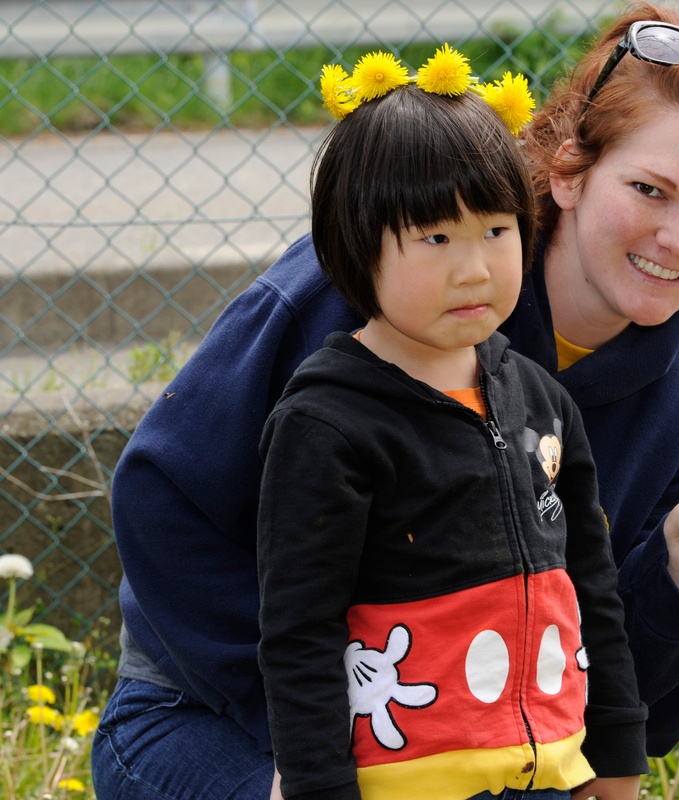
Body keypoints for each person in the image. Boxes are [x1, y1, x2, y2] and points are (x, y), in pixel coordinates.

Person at [92, 3, 679, 799]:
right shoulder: (370, 289)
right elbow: (164, 501)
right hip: (216, 714)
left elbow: (633, 721)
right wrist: (329, 747)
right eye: (649, 189)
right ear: (569, 172)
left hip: (475, 767)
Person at [257, 49, 647, 800]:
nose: (474, 268)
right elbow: (298, 636)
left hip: (552, 775)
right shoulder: (327, 426)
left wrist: (617, 758)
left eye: (497, 231)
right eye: (436, 238)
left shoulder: (540, 399)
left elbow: (592, 589)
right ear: (355, 245)